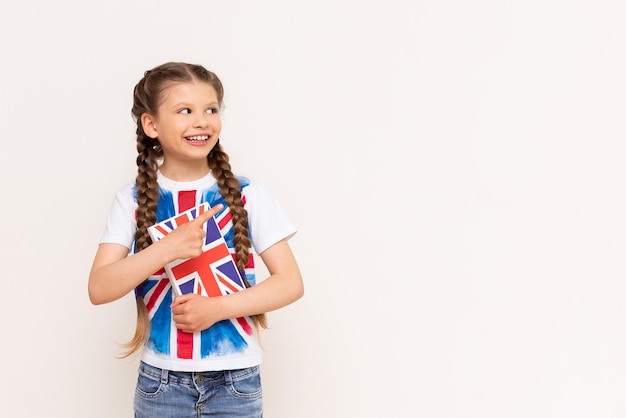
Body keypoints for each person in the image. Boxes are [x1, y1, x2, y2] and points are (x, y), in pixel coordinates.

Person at [88, 61, 304, 417]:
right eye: (184, 110)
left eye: (211, 109)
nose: (201, 120)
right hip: (161, 383)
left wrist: (217, 309)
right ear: (151, 124)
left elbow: (290, 283)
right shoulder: (130, 200)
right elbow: (100, 287)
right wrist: (167, 248)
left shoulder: (249, 194)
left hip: (237, 383)